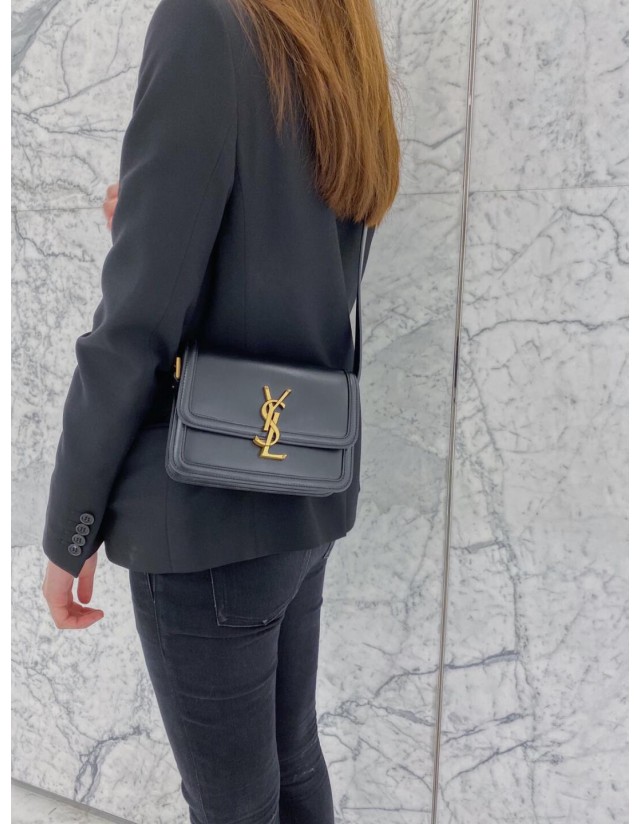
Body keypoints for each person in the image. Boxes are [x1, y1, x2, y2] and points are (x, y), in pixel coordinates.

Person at [40, 0, 400, 820]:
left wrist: (71, 525)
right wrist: (153, 220)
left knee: (234, 804)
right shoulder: (339, 35)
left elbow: (136, 321)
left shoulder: (204, 22)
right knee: (292, 762)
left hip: (205, 511)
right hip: (304, 481)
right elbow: (301, 254)